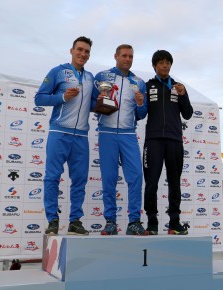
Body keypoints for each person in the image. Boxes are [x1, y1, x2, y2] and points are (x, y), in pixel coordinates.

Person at [35, 36, 96, 235]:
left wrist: (103, 99)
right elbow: (39, 98)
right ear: (71, 50)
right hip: (59, 132)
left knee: (79, 180)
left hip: (81, 136)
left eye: (87, 51)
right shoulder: (57, 71)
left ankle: (75, 221)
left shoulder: (90, 78)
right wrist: (62, 97)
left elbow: (93, 104)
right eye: (80, 49)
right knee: (52, 177)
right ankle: (52, 220)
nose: (83, 54)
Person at [94, 44, 147, 235]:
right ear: (115, 56)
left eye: (131, 56)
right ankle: (110, 221)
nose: (127, 59)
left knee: (136, 177)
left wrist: (140, 104)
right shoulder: (102, 76)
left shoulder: (139, 82)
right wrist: (99, 99)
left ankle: (134, 221)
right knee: (109, 179)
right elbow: (93, 103)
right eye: (124, 55)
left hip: (128, 134)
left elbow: (141, 113)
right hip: (107, 132)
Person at [143, 50, 193, 235]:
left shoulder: (178, 86)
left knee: (175, 182)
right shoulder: (147, 86)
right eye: (161, 62)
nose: (165, 65)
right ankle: (152, 222)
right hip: (153, 141)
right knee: (151, 183)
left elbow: (187, 113)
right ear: (154, 65)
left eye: (168, 62)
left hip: (174, 140)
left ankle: (174, 222)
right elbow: (140, 113)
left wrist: (183, 95)